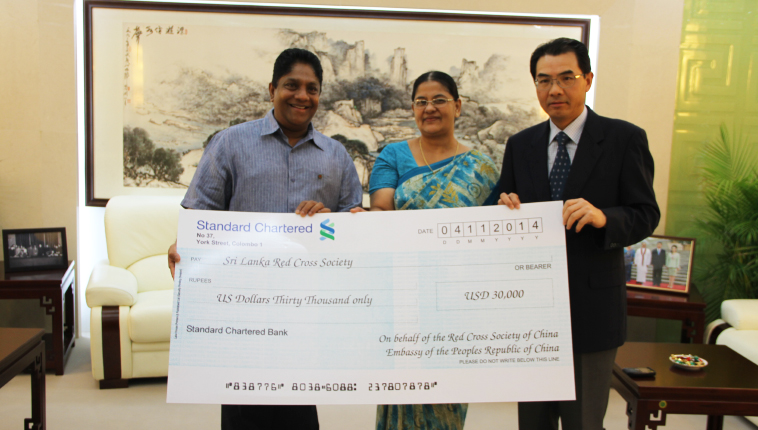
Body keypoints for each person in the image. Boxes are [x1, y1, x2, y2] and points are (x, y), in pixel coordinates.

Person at [168, 48, 363, 430]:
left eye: (312, 88)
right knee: (243, 408)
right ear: (272, 89)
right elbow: (199, 215)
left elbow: (353, 229)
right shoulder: (230, 143)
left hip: (308, 308)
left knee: (300, 410)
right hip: (243, 306)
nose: (302, 96)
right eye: (292, 85)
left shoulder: (337, 155)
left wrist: (332, 224)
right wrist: (183, 247)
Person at [496, 38, 659, 430]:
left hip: (592, 310)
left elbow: (646, 213)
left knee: (583, 423)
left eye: (566, 78)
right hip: (531, 312)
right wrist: (503, 205)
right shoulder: (520, 145)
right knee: (532, 422)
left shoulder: (624, 138)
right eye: (544, 80)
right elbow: (504, 201)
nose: (555, 89)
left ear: (587, 79)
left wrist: (604, 218)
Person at [353, 71, 499, 430]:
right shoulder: (393, 155)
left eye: (439, 100)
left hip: (456, 305)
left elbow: (492, 239)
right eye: (421, 101)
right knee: (400, 398)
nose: (429, 108)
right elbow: (382, 210)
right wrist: (365, 223)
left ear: (457, 106)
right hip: (403, 298)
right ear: (413, 108)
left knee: (447, 404)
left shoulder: (482, 168)